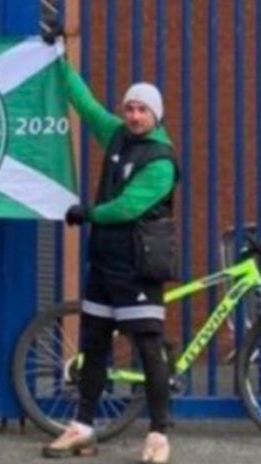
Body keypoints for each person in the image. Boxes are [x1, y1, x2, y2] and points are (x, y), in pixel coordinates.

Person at [43, 41, 179, 464]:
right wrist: (57, 57)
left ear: (156, 115)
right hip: (104, 263)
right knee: (94, 344)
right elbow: (84, 104)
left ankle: (158, 434)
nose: (134, 115)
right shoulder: (117, 135)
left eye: (142, 110)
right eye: (130, 108)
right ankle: (83, 427)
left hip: (138, 268)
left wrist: (87, 213)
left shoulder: (161, 159)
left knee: (149, 347)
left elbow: (128, 207)